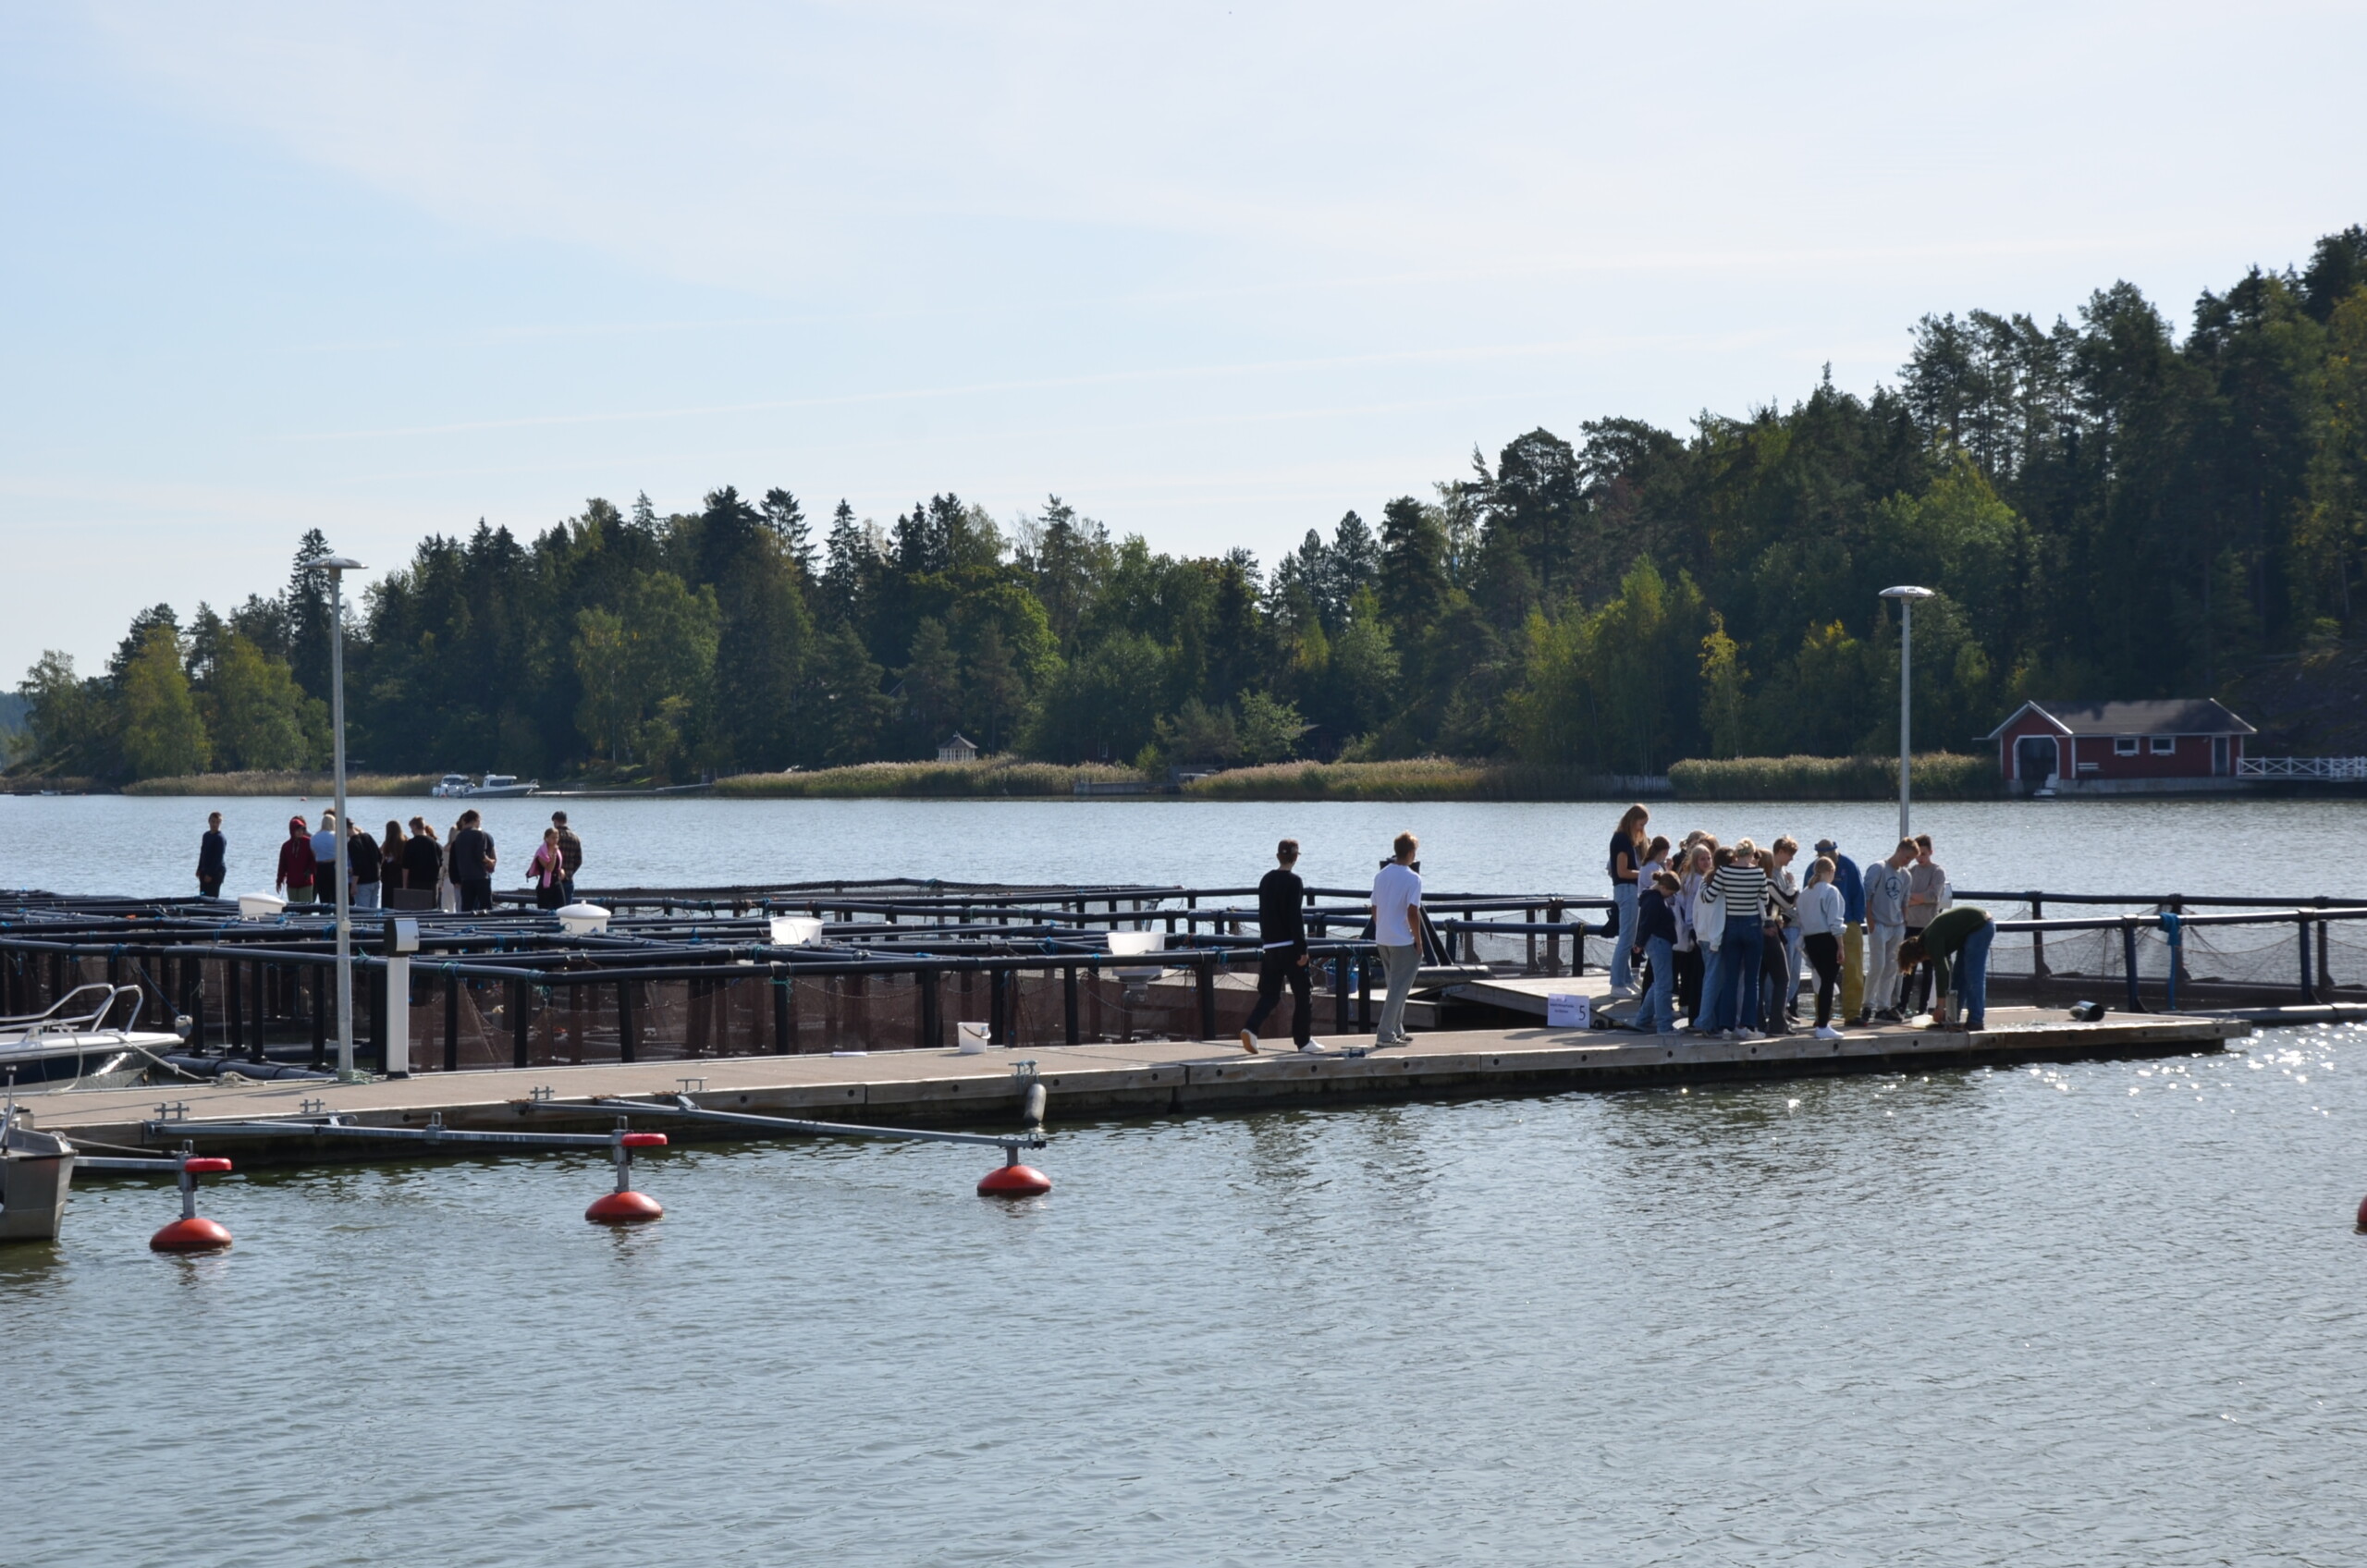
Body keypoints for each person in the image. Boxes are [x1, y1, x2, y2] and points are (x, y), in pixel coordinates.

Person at [1239, 839, 1316, 1056]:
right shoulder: (1294, 881)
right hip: (1290, 947)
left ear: (1277, 856)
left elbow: (1263, 913)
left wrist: (1267, 942)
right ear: (1295, 857)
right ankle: (1303, 1041)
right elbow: (1295, 917)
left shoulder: (1266, 880)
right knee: (1303, 993)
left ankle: (1251, 1028)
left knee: (1270, 995)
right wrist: (1302, 949)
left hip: (1270, 946)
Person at [1699, 839, 1767, 1036]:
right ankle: (1747, 1026)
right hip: (1753, 925)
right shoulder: (1759, 872)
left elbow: (1709, 896)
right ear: (1752, 854)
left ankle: (1726, 1027)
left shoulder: (1724, 871)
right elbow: (1765, 899)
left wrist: (1703, 886)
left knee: (1730, 979)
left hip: (1731, 926)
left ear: (1736, 854)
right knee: (1751, 980)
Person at [1897, 903, 1996, 1031]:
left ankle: (1976, 1021)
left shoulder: (1930, 941)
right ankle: (1952, 1018)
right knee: (1959, 977)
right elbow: (1946, 971)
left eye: (1917, 961)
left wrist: (1940, 1006)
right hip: (1968, 930)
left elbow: (1942, 971)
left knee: (1973, 975)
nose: (1922, 962)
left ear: (1917, 955)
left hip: (1980, 926)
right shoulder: (1926, 939)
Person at [1371, 831, 1423, 1047]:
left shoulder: (1381, 875)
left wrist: (1381, 927)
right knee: (1400, 988)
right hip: (1402, 940)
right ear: (1411, 853)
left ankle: (1396, 1028)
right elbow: (1413, 912)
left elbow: (1374, 907)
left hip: (1383, 938)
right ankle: (1385, 1034)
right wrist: (1418, 941)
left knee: (1395, 985)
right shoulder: (1414, 878)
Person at [1859, 838, 1917, 1023]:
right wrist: (1870, 919)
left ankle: (1883, 1006)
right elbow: (1867, 894)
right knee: (1878, 964)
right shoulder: (1879, 868)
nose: (1907, 862)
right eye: (1906, 857)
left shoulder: (1906, 876)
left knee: (1892, 966)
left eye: (1910, 860)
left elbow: (1904, 900)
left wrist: (1904, 921)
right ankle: (1868, 1004)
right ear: (1899, 850)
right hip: (1878, 923)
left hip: (1896, 925)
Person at [1798, 854, 1847, 1039]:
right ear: (1830, 871)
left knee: (1823, 981)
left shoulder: (1804, 893)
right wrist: (1840, 947)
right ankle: (1823, 1025)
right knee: (1828, 981)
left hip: (1810, 941)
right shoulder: (1830, 891)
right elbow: (1835, 922)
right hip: (1827, 939)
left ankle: (1822, 1022)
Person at [1820, 838, 1867, 1023]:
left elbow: (1859, 893)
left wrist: (1856, 920)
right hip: (1823, 928)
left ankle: (1853, 1013)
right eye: (1821, 855)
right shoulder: (1813, 868)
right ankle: (1823, 1014)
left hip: (1849, 925)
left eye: (1828, 854)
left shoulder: (1849, 866)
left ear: (1835, 851)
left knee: (1854, 970)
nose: (1824, 857)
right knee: (1822, 973)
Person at [1630, 869, 1681, 1035]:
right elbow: (1647, 924)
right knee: (1664, 985)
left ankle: (1643, 1019)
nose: (1670, 896)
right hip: (1659, 942)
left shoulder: (1652, 898)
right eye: (1670, 892)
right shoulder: (1654, 901)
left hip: (1657, 941)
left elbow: (1645, 924)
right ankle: (1664, 1025)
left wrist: (1640, 942)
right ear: (1664, 887)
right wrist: (1639, 942)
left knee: (1658, 983)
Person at [1605, 805, 1649, 992]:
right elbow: (1622, 872)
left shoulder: (1623, 839)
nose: (1642, 829)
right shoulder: (1622, 840)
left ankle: (1626, 979)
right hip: (1627, 890)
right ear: (1633, 820)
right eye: (1641, 824)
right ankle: (1617, 984)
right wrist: (1645, 874)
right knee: (1626, 940)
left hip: (1627, 890)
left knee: (1626, 938)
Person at [1905, 833, 1948, 1013]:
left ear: (1931, 852)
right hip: (1910, 925)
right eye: (1918, 854)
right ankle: (1903, 1004)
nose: (1920, 858)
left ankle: (1923, 1008)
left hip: (1929, 927)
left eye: (1924, 854)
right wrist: (1919, 898)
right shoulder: (1911, 871)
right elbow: (1904, 896)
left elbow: (1933, 896)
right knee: (1908, 968)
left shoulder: (1937, 872)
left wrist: (1914, 899)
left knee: (1928, 970)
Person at [1672, 842, 1712, 1027]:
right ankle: (1696, 1014)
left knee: (1692, 973)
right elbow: (1691, 908)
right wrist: (1694, 930)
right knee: (1699, 974)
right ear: (1695, 861)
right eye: (1702, 859)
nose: (1707, 862)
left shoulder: (1687, 876)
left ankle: (1692, 1011)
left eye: (1709, 858)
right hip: (1696, 929)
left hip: (1691, 929)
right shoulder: (1698, 880)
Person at [448, 810, 497, 913]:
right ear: (476, 820)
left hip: (465, 878)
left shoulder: (459, 837)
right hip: (480, 876)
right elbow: (480, 855)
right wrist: (490, 861)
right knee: (486, 908)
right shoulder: (480, 834)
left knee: (467, 908)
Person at [402, 818, 445, 905]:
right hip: (432, 883)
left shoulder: (411, 844)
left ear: (415, 826)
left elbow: (406, 867)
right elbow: (440, 865)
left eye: (411, 828)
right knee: (431, 908)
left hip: (415, 882)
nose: (411, 831)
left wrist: (404, 885)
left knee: (416, 908)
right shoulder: (436, 844)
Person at [275, 815, 317, 903]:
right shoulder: (286, 846)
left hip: (305, 882)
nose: (300, 832)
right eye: (297, 830)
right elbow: (282, 865)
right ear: (292, 830)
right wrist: (279, 880)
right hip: (292, 883)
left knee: (306, 909)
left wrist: (310, 871)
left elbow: (315, 859)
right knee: (294, 910)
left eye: (302, 830)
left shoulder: (309, 842)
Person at [527, 827, 568, 911]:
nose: (555, 840)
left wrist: (562, 870)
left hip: (556, 882)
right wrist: (554, 855)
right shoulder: (541, 852)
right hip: (545, 885)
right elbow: (549, 868)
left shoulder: (557, 850)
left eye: (557, 837)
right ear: (546, 838)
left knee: (562, 909)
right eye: (553, 837)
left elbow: (557, 866)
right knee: (544, 910)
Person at [348, 818, 384, 910]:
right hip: (375, 880)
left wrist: (353, 885)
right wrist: (377, 871)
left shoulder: (352, 843)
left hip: (363, 883)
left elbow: (357, 865)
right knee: (374, 911)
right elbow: (379, 855)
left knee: (363, 912)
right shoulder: (367, 836)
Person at [551, 810, 584, 904]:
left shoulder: (553, 837)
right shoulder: (575, 838)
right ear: (566, 821)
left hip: (554, 880)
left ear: (555, 821)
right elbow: (579, 861)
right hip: (569, 880)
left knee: (551, 912)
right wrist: (569, 873)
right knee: (566, 911)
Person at [196, 812, 227, 899]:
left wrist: (210, 874)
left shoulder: (220, 838)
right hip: (204, 870)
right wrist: (199, 868)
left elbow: (218, 858)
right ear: (209, 821)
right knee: (202, 895)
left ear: (220, 823)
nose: (214, 824)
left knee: (212, 898)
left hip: (216, 872)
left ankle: (213, 910)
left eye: (217, 822)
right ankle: (202, 911)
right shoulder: (206, 835)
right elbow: (202, 853)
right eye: (213, 821)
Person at [311, 811, 341, 902]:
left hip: (320, 867)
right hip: (334, 866)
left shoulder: (315, 837)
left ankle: (325, 914)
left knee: (324, 895)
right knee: (336, 895)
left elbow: (314, 853)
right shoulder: (336, 836)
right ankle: (337, 915)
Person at [379, 821, 409, 893]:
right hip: (400, 873)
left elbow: (379, 853)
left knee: (388, 900)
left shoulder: (387, 842)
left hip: (388, 875)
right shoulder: (405, 841)